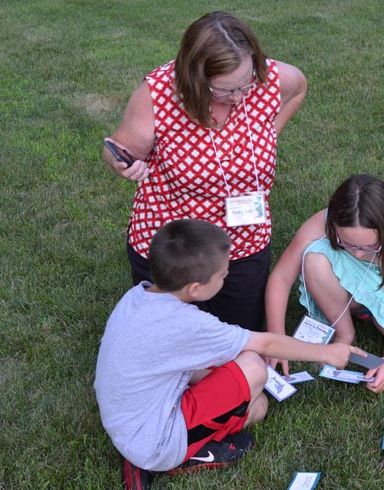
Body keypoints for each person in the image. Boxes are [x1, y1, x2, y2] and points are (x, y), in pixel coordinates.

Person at [94, 219, 364, 490]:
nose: (227, 277)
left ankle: (149, 450)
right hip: (155, 442)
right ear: (195, 289)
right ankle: (178, 456)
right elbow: (265, 345)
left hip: (128, 420)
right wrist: (327, 353)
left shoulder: (136, 295)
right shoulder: (188, 324)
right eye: (223, 275)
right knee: (256, 392)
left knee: (235, 368)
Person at [101, 11, 307, 332]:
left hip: (244, 237)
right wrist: (122, 163)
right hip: (177, 240)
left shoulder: (269, 79)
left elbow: (297, 88)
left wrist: (270, 131)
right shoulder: (158, 95)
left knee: (238, 336)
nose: (239, 97)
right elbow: (119, 148)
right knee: (169, 337)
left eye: (245, 84)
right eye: (224, 90)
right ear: (196, 78)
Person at [265, 174, 384, 394]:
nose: (359, 253)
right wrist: (277, 340)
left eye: (370, 246)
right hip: (350, 286)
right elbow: (281, 278)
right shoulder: (324, 221)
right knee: (314, 259)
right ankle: (345, 332)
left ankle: (383, 325)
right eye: (348, 244)